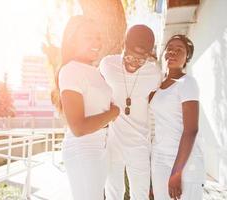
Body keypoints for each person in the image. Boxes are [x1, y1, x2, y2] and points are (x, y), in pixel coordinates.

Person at [52, 15, 120, 200]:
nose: (96, 42)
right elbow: (78, 127)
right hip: (83, 149)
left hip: (100, 146)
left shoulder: (95, 71)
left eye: (97, 37)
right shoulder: (70, 70)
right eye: (88, 37)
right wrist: (114, 112)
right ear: (72, 41)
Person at [99, 25, 162, 199]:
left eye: (141, 59)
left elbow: (155, 104)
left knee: (140, 194)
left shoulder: (154, 73)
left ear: (148, 56)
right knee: (113, 192)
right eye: (130, 55)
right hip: (113, 142)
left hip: (140, 144)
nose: (134, 62)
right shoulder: (107, 65)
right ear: (123, 46)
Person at [149, 34, 205, 200]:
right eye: (170, 48)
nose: (172, 52)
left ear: (187, 57)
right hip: (159, 157)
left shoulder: (187, 83)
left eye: (179, 50)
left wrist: (176, 172)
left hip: (184, 161)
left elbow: (191, 130)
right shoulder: (158, 84)